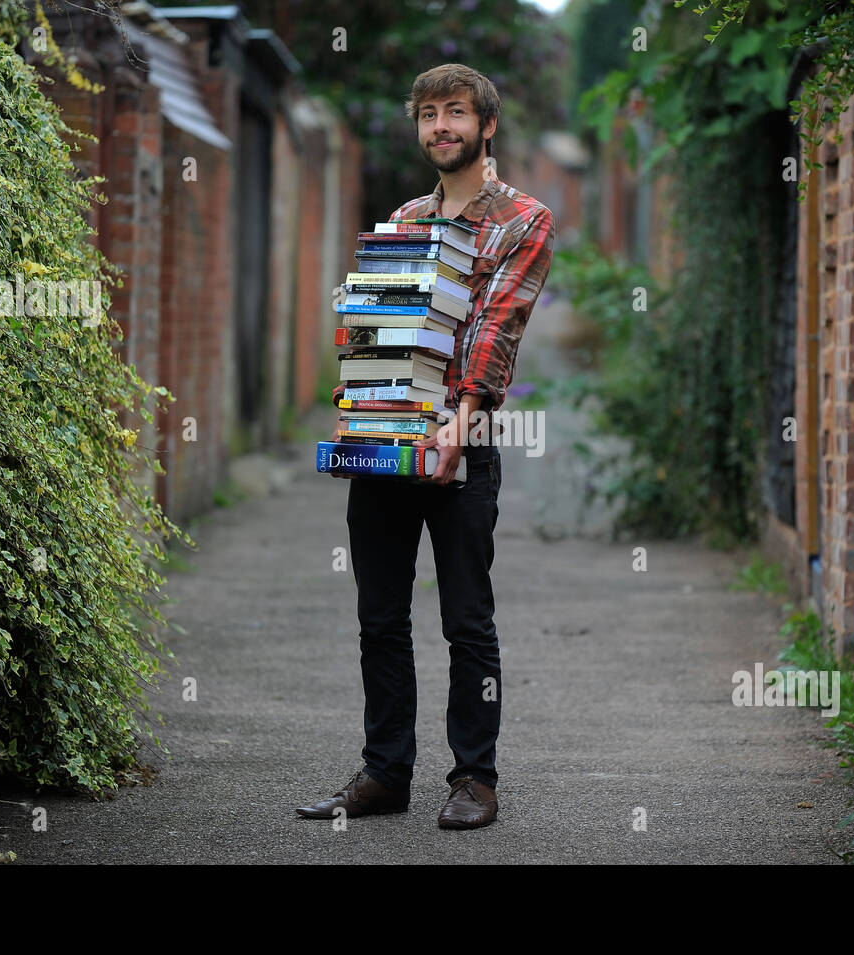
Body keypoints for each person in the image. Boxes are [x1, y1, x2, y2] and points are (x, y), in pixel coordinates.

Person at [297, 63, 555, 829]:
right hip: (385, 441)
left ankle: (475, 777)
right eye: (429, 114)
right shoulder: (404, 218)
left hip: (462, 443)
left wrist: (460, 419)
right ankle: (385, 773)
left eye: (456, 113)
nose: (441, 126)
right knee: (379, 615)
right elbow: (378, 332)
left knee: (466, 618)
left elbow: (493, 327)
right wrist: (355, 406)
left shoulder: (523, 220)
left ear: (487, 125)